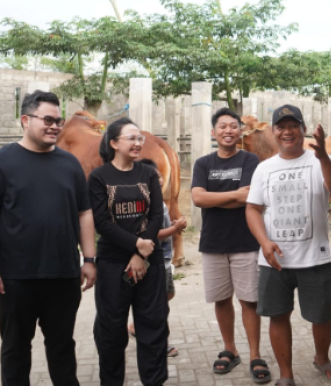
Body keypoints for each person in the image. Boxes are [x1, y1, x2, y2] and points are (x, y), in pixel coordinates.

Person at [246, 104, 331, 386]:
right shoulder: (264, 169)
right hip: (274, 260)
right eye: (281, 126)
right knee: (278, 316)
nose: (287, 131)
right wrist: (264, 243)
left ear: (303, 129)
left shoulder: (319, 161)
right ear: (273, 132)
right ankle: (286, 375)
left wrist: (325, 156)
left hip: (314, 258)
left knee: (322, 316)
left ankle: (322, 359)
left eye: (293, 125)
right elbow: (253, 209)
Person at [0, 91, 96, 386]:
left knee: (62, 348)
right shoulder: (3, 161)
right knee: (15, 351)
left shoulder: (69, 164)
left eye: (59, 120)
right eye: (48, 119)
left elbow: (85, 214)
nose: (55, 126)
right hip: (15, 277)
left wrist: (89, 259)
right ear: (26, 120)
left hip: (63, 275)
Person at [191, 108, 271, 382]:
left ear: (240, 132)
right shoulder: (203, 163)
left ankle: (255, 355)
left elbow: (250, 199)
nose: (228, 130)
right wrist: (235, 193)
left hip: (245, 241)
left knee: (249, 300)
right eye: (222, 126)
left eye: (233, 126)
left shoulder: (251, 160)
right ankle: (230, 349)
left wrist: (217, 196)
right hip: (212, 243)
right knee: (221, 299)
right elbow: (197, 199)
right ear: (213, 133)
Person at [89, 117, 168, 386]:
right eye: (131, 138)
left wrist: (141, 253)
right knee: (110, 331)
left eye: (139, 139)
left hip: (150, 261)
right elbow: (101, 222)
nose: (137, 143)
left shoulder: (147, 173)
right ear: (113, 143)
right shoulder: (99, 177)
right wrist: (136, 245)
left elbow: (157, 214)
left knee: (153, 327)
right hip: (112, 263)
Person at [127, 158, 187, 358]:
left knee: (166, 297)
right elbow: (151, 234)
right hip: (153, 260)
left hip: (165, 259)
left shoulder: (158, 200)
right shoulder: (144, 202)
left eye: (160, 176)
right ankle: (159, 342)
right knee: (157, 304)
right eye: (155, 177)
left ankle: (139, 327)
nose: (160, 180)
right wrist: (175, 229)